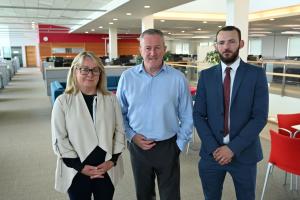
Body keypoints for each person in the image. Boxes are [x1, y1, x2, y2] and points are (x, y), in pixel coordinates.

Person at [193, 26, 269, 200]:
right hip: (211, 155)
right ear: (216, 46)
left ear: (241, 44)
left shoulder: (256, 75)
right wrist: (214, 149)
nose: (226, 47)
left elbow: (259, 117)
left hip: (244, 154)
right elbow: (198, 115)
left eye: (231, 41)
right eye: (221, 42)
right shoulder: (206, 76)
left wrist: (232, 149)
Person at [117, 29, 193, 200]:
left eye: (157, 47)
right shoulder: (127, 78)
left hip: (168, 146)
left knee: (171, 196)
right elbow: (119, 114)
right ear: (140, 50)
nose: (153, 53)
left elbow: (188, 116)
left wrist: (179, 145)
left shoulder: (178, 78)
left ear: (164, 49)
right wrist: (131, 136)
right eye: (148, 48)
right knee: (143, 195)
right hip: (138, 147)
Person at [51, 51, 125, 200]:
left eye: (95, 69)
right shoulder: (63, 102)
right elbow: (60, 139)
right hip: (76, 171)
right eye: (84, 69)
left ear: (100, 73)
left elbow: (120, 131)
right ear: (74, 71)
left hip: (106, 169)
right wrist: (81, 167)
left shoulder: (111, 99)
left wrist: (112, 161)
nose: (90, 74)